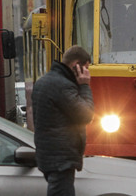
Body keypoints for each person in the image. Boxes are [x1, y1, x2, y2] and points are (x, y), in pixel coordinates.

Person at [31, 46, 94, 196]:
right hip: (61, 160)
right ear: (76, 65)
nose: (87, 73)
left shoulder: (43, 82)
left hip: (49, 157)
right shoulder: (62, 86)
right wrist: (85, 86)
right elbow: (86, 115)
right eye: (85, 68)